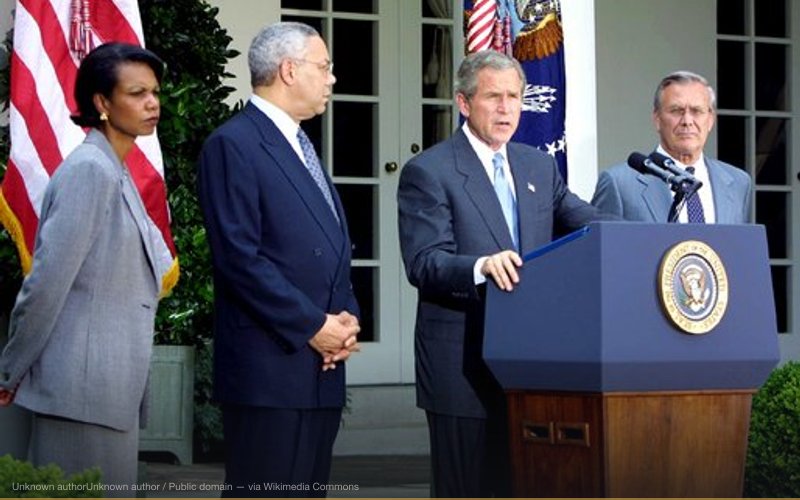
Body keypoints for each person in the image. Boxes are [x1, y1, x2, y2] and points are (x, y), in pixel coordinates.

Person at [397, 50, 614, 498]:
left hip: (529, 362)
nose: (506, 108)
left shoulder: (536, 164)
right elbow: (424, 262)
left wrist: (651, 240)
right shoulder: (430, 171)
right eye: (493, 97)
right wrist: (481, 267)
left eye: (514, 97)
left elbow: (586, 221)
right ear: (463, 102)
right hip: (462, 365)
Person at [197, 21, 360, 497]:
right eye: (324, 67)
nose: (331, 79)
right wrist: (313, 325)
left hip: (320, 370)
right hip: (270, 371)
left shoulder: (301, 143)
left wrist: (346, 323)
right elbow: (240, 259)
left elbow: (330, 246)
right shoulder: (234, 144)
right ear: (290, 70)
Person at [0, 42, 165, 493]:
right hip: (81, 394)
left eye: (154, 91)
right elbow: (47, 284)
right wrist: (11, 370)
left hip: (108, 392)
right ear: (102, 103)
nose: (152, 103)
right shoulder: (89, 171)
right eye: (137, 93)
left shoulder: (116, 168)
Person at [591, 70, 752, 223]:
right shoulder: (619, 184)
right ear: (657, 119)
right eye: (676, 111)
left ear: (710, 119)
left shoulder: (738, 183)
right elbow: (599, 248)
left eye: (697, 111)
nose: (687, 121)